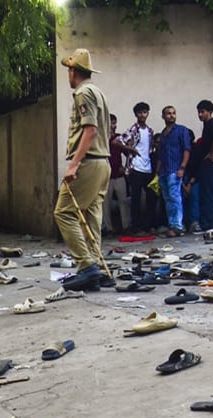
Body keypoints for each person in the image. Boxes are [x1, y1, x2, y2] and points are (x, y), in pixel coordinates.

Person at [53, 48, 112, 290]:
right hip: (102, 163)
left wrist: (74, 164)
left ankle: (87, 266)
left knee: (63, 212)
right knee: (91, 216)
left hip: (89, 162)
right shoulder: (97, 91)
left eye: (68, 70)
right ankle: (97, 266)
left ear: (72, 71)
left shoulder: (83, 93)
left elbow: (90, 130)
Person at [155, 106, 192, 237]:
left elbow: (187, 150)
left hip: (175, 169)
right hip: (164, 171)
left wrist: (182, 167)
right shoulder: (163, 134)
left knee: (175, 197)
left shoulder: (182, 130)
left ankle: (178, 226)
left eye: (173, 113)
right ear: (163, 116)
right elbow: (161, 155)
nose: (171, 116)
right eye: (168, 114)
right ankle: (172, 225)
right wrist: (157, 172)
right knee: (168, 199)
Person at [123, 103, 157, 233]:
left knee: (151, 197)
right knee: (135, 198)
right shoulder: (133, 130)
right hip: (136, 168)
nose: (143, 115)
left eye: (145, 112)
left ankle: (148, 225)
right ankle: (136, 226)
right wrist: (130, 149)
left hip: (148, 167)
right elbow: (117, 141)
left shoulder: (149, 131)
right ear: (136, 114)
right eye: (140, 113)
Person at [194, 99, 213, 239]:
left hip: (210, 164)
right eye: (199, 112)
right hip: (211, 163)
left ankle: (208, 224)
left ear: (209, 112)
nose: (200, 115)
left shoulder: (212, 123)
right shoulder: (207, 124)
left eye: (202, 112)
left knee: (208, 194)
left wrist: (212, 152)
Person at [105, 113, 133, 234]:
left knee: (124, 202)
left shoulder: (119, 138)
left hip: (119, 175)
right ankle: (108, 228)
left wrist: (126, 168)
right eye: (111, 123)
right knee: (105, 204)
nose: (114, 126)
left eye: (115, 123)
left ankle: (126, 226)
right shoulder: (101, 139)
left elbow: (129, 154)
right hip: (106, 176)